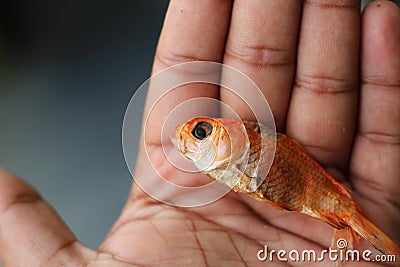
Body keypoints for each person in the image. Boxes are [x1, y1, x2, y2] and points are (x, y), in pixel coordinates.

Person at [0, 0, 399, 265]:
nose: (190, 138)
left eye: (202, 131)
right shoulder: (237, 160)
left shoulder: (251, 151)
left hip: (323, 196)